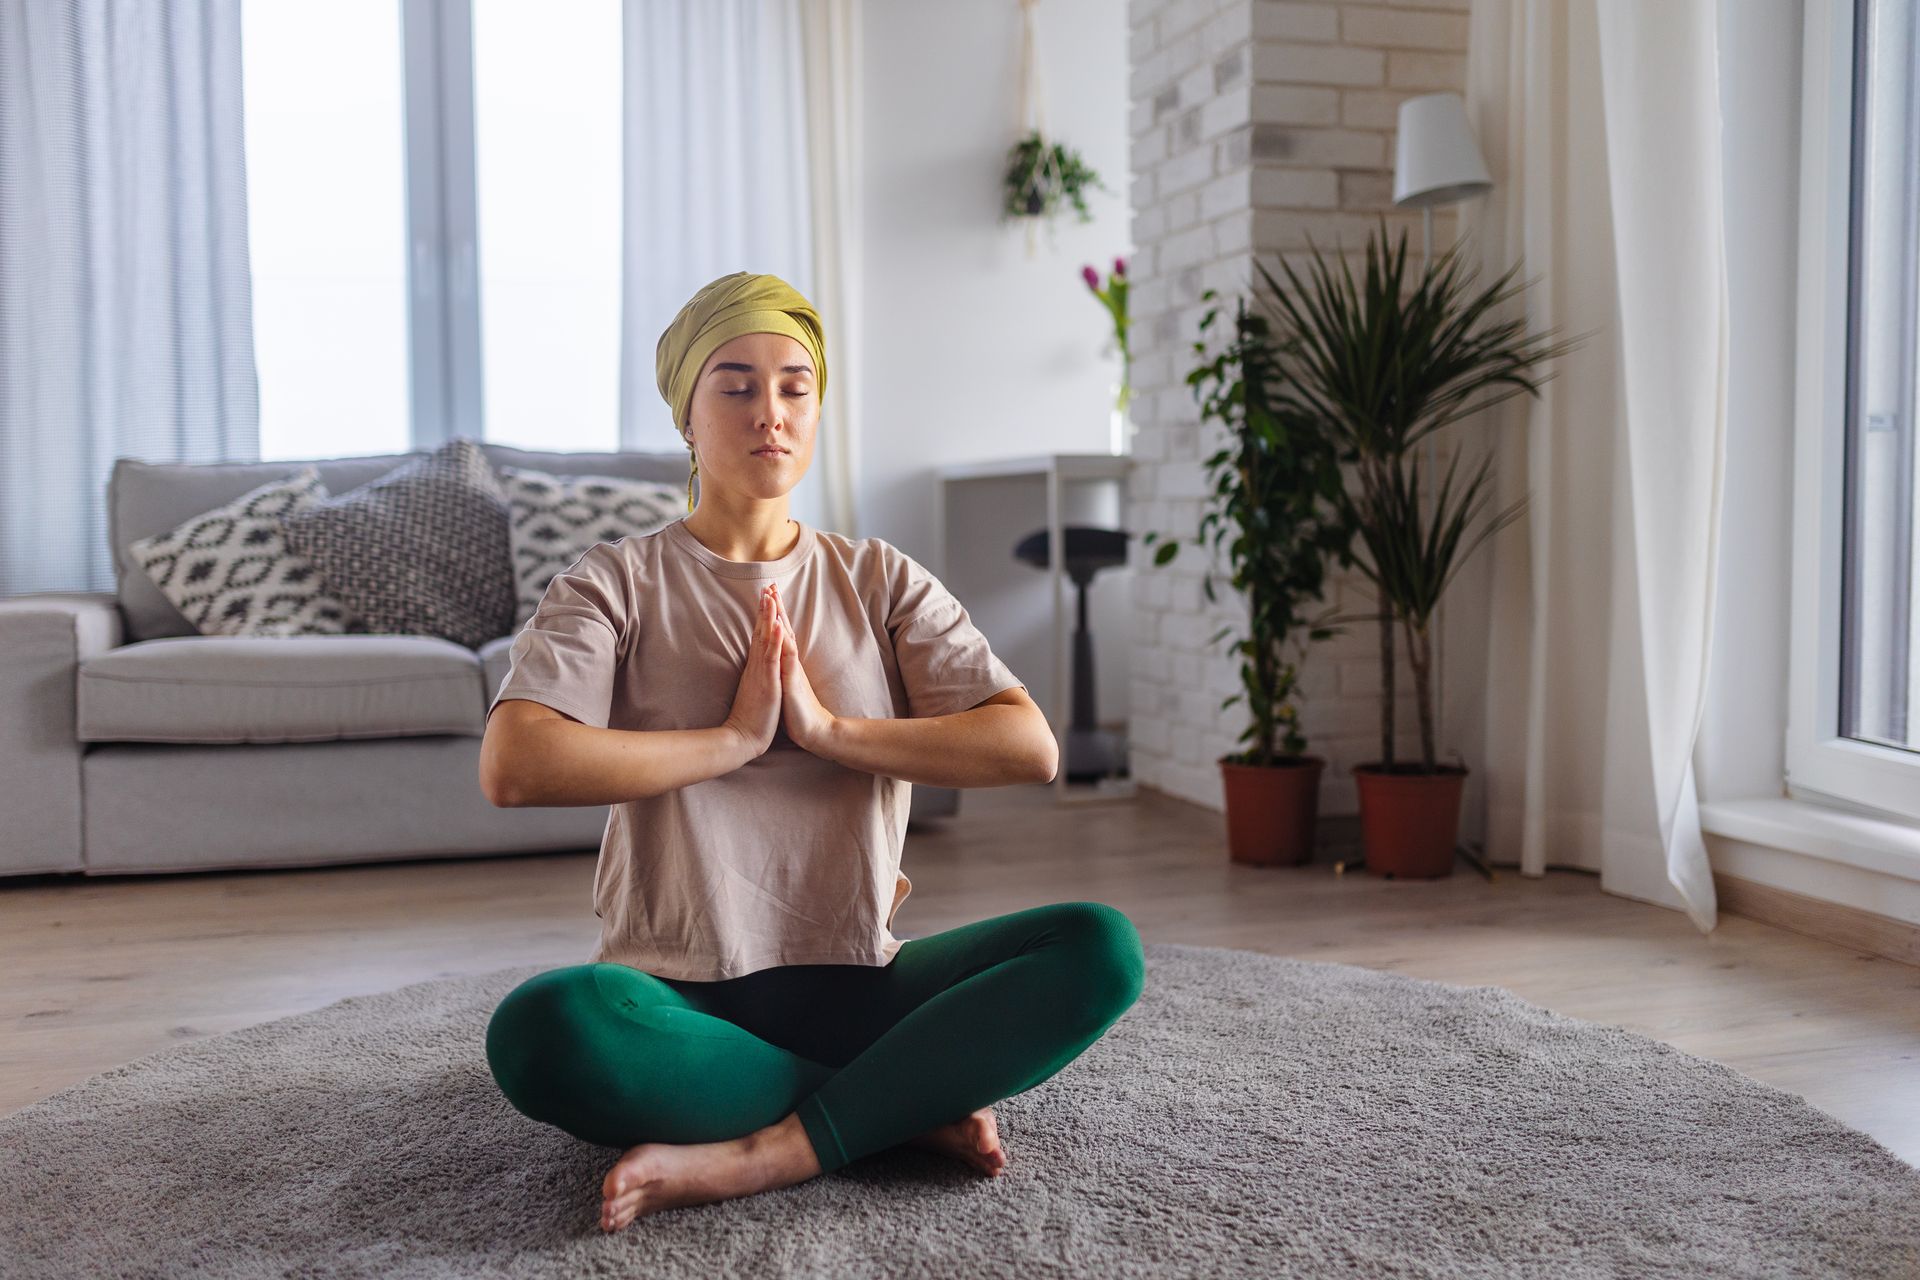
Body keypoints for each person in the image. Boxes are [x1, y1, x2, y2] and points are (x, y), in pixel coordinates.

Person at [477, 271, 1146, 1233]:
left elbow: (1028, 746)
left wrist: (831, 734)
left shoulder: (878, 578)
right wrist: (732, 740)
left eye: (795, 386)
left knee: (1098, 947)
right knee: (544, 1032)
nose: (770, 413)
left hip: (860, 981)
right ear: (687, 415)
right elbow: (517, 763)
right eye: (736, 385)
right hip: (678, 999)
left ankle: (774, 1147)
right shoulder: (615, 581)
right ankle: (894, 1105)